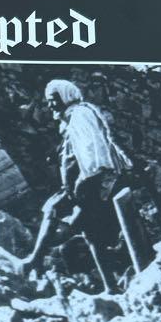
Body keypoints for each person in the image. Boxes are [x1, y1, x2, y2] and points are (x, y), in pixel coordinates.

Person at [21, 79, 132, 290]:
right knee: (90, 234)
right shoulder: (70, 119)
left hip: (92, 183)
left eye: (54, 99)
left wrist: (83, 181)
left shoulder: (80, 115)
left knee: (60, 214)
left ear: (66, 96)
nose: (50, 105)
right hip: (81, 185)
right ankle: (109, 286)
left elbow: (93, 149)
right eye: (48, 101)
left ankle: (35, 259)